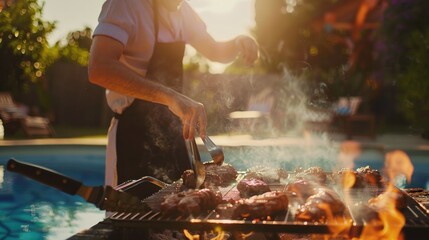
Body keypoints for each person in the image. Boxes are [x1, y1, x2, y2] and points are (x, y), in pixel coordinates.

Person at [88, 0, 258, 196]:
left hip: (175, 138)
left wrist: (238, 42)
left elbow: (214, 50)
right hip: (133, 138)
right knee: (130, 219)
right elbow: (99, 68)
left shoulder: (183, 10)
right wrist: (170, 97)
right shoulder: (125, 5)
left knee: (183, 210)